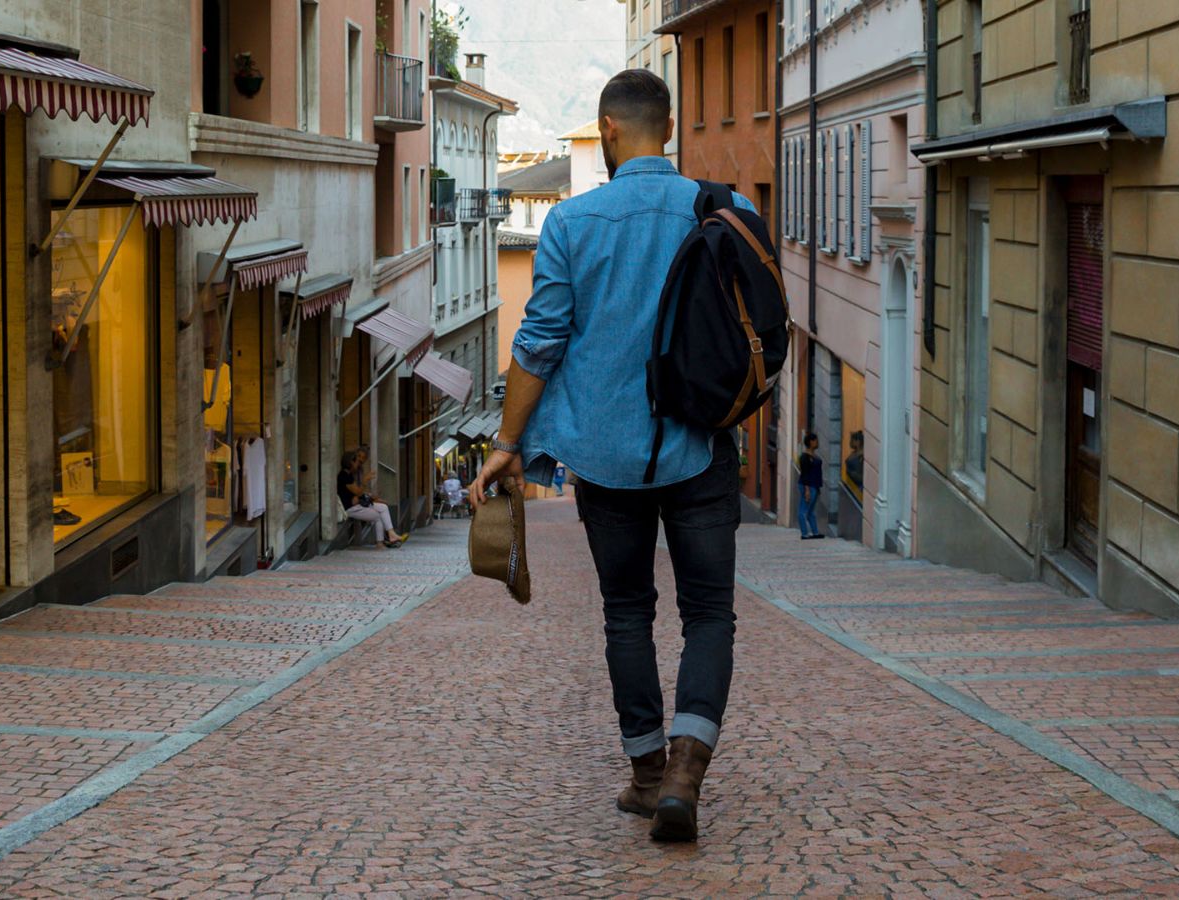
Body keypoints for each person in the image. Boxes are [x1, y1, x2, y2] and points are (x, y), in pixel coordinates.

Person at [469, 69, 757, 843]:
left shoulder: (572, 222)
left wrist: (506, 445)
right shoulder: (729, 210)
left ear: (608, 129)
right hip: (701, 444)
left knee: (627, 611)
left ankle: (648, 774)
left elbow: (540, 343)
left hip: (603, 450)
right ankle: (689, 774)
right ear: (670, 127)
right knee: (709, 614)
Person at [338, 448, 406, 548]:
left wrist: (369, 496)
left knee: (383, 507)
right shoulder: (344, 476)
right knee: (378, 516)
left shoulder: (349, 475)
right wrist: (365, 481)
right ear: (351, 462)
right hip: (350, 508)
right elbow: (358, 492)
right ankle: (380, 543)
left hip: (357, 505)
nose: (359, 464)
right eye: (357, 461)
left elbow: (358, 494)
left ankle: (391, 534)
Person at [798, 432, 825, 540]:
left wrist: (818, 488)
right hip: (808, 486)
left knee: (811, 511)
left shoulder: (814, 456)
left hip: (815, 486)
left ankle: (815, 532)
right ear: (810, 442)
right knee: (803, 510)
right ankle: (804, 533)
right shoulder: (804, 457)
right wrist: (807, 490)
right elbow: (805, 473)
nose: (817, 442)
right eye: (815, 440)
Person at [843, 430, 864, 503]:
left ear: (858, 441)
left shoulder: (862, 456)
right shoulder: (854, 453)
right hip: (850, 485)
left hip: (857, 488)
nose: (850, 443)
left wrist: (851, 473)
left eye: (852, 440)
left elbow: (861, 476)